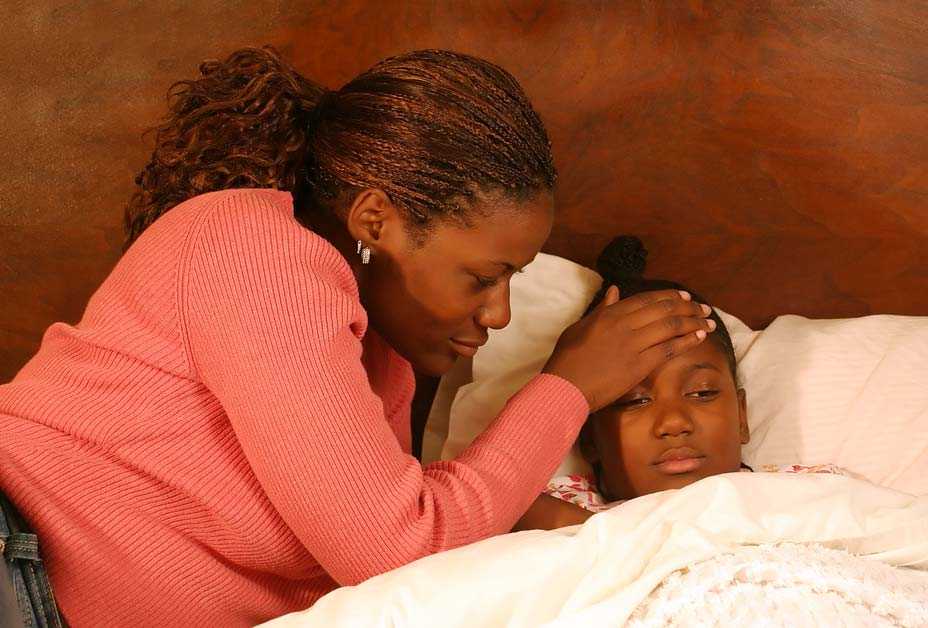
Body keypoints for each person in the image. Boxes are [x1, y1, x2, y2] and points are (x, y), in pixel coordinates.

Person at [0, 48, 714, 626]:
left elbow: (388, 529)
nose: (498, 314)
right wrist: (569, 387)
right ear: (376, 220)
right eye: (482, 276)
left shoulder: (376, 356)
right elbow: (396, 547)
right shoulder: (258, 251)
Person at [535, 236, 847, 518]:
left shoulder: (812, 494)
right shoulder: (560, 514)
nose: (674, 423)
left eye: (702, 393)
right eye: (636, 400)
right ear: (588, 437)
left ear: (741, 416)